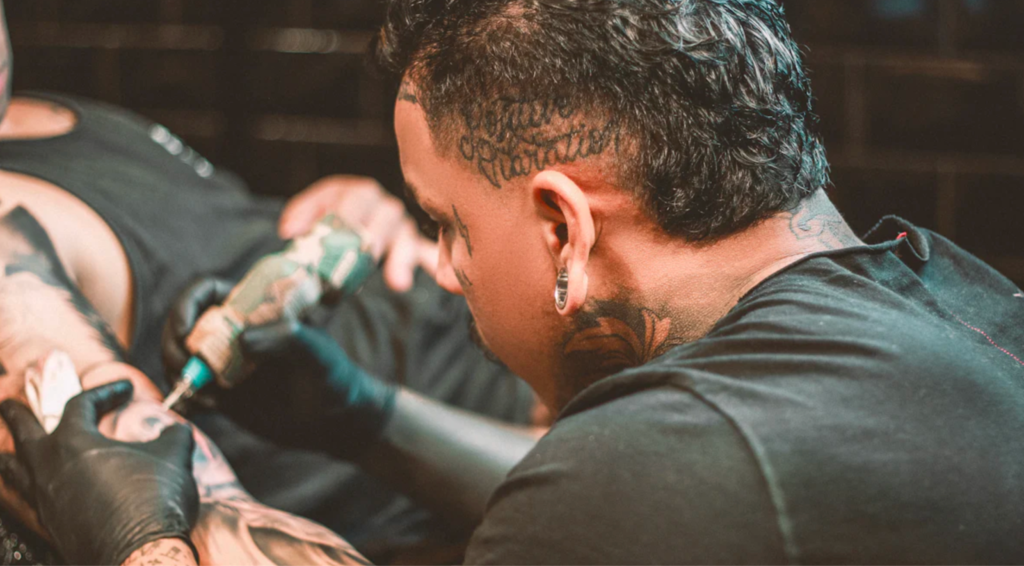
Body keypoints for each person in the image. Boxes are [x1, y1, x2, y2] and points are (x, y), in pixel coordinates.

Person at [6, 0, 1024, 564]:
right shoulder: (943, 289)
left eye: (448, 224)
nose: (443, 266)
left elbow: (622, 500)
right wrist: (364, 415)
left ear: (561, 225)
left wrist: (138, 547)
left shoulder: (651, 473)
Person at [0, 1, 541, 564]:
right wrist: (143, 542)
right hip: (505, 454)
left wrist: (373, 224)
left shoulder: (55, 115)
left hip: (537, 385)